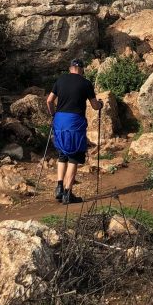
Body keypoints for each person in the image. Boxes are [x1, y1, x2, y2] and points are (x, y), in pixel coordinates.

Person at [46, 58, 102, 204]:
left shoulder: (60, 80)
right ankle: (67, 193)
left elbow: (49, 101)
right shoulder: (85, 83)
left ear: (70, 68)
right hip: (75, 122)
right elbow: (95, 106)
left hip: (59, 120)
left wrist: (53, 115)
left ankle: (59, 187)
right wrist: (101, 104)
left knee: (62, 154)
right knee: (74, 156)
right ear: (81, 69)